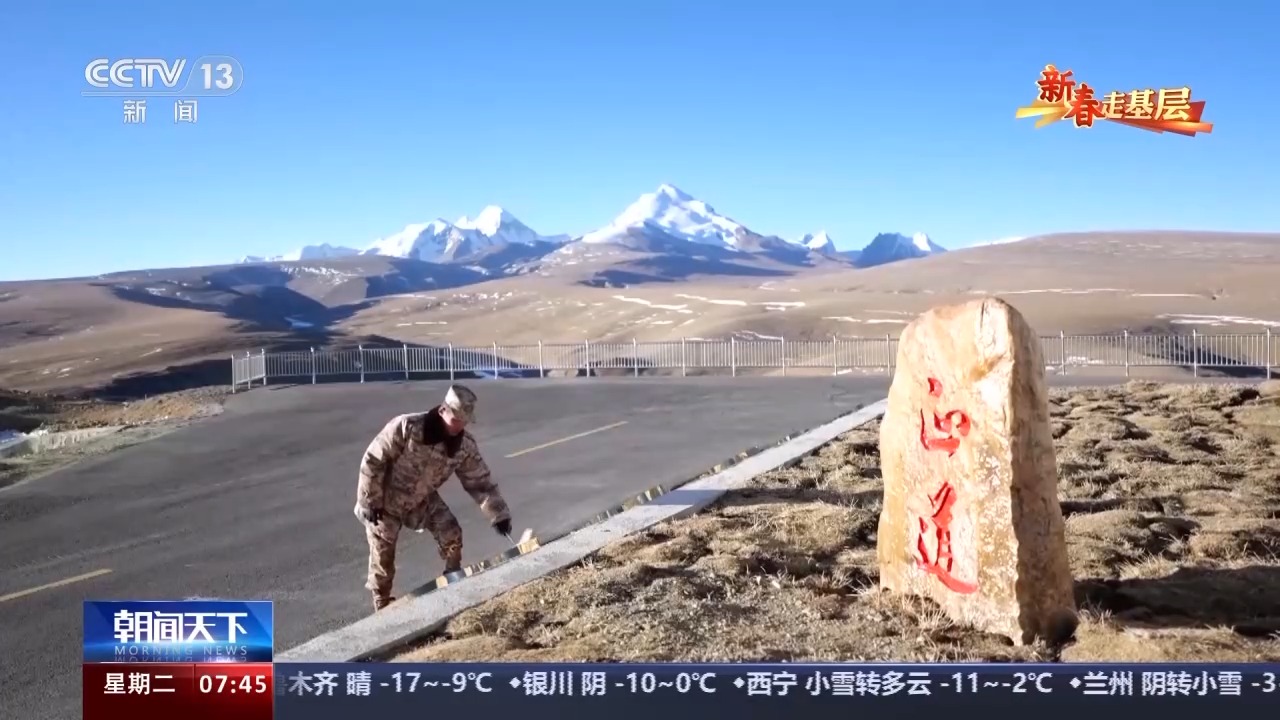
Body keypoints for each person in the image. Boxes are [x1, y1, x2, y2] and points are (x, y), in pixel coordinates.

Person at [353, 384, 512, 611]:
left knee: (451, 532)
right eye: (455, 419)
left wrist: (498, 514)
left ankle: (452, 580)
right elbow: (373, 459)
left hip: (420, 500)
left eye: (463, 421)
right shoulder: (408, 427)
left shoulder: (463, 447)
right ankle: (382, 604)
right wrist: (369, 500)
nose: (458, 426)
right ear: (442, 410)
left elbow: (479, 482)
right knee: (383, 559)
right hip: (384, 502)